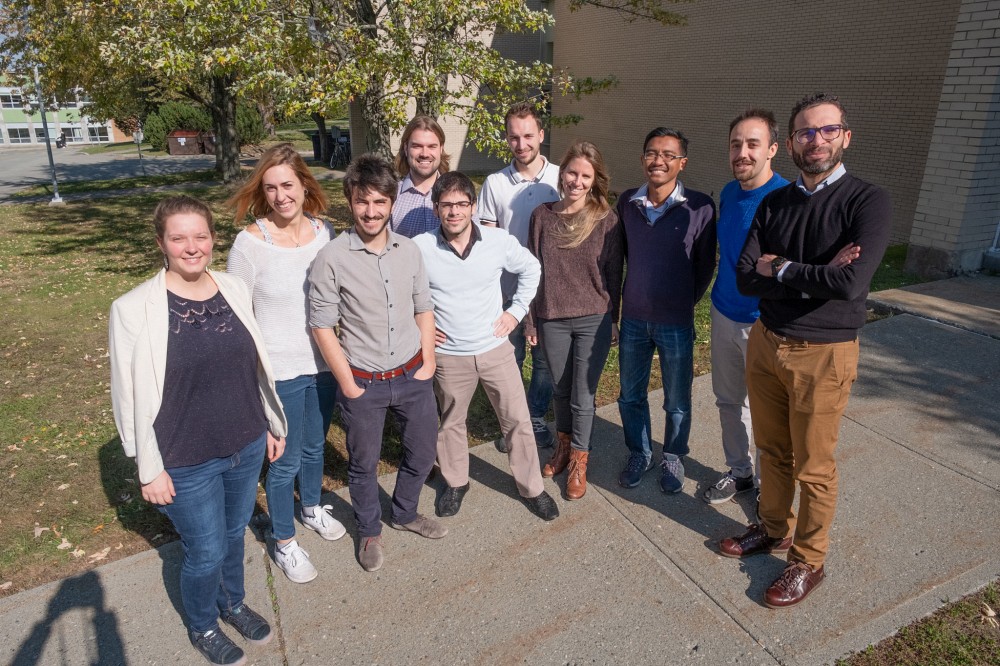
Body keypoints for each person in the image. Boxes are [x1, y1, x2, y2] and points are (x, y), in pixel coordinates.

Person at [719, 93, 892, 609]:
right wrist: (815, 273)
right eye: (805, 132)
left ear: (845, 136)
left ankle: (807, 561)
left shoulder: (868, 201)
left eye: (826, 130)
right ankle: (773, 529)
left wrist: (785, 267)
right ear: (791, 143)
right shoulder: (775, 202)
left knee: (813, 466)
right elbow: (747, 277)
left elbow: (852, 283)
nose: (815, 140)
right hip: (767, 344)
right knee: (771, 452)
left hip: (824, 352)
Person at [109, 196, 288, 666]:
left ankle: (232, 603)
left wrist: (269, 423)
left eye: (201, 236)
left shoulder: (232, 288)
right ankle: (203, 624)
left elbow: (253, 367)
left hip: (245, 443)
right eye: (179, 237)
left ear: (213, 239)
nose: (192, 247)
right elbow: (127, 397)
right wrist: (148, 470)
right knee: (205, 551)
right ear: (161, 244)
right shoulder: (132, 309)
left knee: (233, 535)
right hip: (184, 458)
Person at [308, 154, 446, 573]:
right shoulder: (331, 258)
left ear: (391, 203)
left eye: (380, 202)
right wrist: (348, 384)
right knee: (363, 464)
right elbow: (322, 326)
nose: (371, 211)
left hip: (412, 374)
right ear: (349, 202)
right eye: (362, 201)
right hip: (363, 383)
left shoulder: (409, 251)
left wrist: (428, 362)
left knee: (422, 453)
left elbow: (424, 307)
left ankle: (404, 513)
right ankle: (369, 529)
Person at [226, 143, 344, 585]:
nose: (280, 196)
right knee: (285, 461)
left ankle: (311, 507)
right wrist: (250, 379)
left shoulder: (323, 232)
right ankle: (284, 541)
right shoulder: (250, 243)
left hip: (325, 362)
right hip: (279, 371)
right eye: (271, 188)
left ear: (304, 185)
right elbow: (237, 316)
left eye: (288, 185)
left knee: (316, 446)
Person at [412, 171, 559, 520]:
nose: (454, 212)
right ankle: (456, 482)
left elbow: (532, 269)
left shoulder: (498, 241)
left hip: (495, 349)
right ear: (436, 209)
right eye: (446, 205)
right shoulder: (419, 248)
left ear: (473, 207)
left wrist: (516, 312)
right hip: (449, 356)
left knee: (517, 420)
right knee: (451, 423)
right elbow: (398, 289)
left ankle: (531, 487)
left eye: (462, 204)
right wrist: (417, 326)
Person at [615, 128, 716, 493]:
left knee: (676, 399)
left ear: (682, 163)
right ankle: (639, 452)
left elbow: (705, 265)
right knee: (630, 394)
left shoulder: (701, 206)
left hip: (676, 320)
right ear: (642, 158)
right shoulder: (627, 202)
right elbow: (622, 256)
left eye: (668, 155)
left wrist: (683, 301)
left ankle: (673, 455)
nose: (658, 160)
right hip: (634, 320)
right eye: (651, 153)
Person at [524, 141, 624, 500]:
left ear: (594, 179)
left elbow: (614, 274)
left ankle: (581, 460)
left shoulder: (605, 219)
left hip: (593, 319)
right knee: (560, 389)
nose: (576, 182)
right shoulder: (541, 216)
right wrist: (531, 320)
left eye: (585, 176)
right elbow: (532, 272)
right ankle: (563, 447)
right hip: (552, 317)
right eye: (572, 172)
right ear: (561, 172)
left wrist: (614, 318)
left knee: (583, 395)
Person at [702, 110, 789, 505]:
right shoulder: (729, 192)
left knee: (768, 414)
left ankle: (771, 491)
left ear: (773, 149)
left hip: (765, 323)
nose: (743, 152)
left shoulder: (788, 200)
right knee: (728, 401)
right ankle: (740, 474)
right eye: (736, 144)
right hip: (723, 312)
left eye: (753, 144)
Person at [476, 101, 559, 448]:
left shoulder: (559, 178)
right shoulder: (494, 184)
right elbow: (485, 240)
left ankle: (536, 416)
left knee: (544, 363)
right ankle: (512, 422)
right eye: (514, 137)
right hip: (507, 292)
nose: (521, 144)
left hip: (551, 292)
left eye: (528, 135)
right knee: (508, 362)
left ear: (541, 134)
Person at [391, 115, 449, 238]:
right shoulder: (391, 196)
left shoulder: (459, 196)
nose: (424, 154)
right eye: (417, 146)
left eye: (432, 146)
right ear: (406, 148)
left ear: (441, 149)